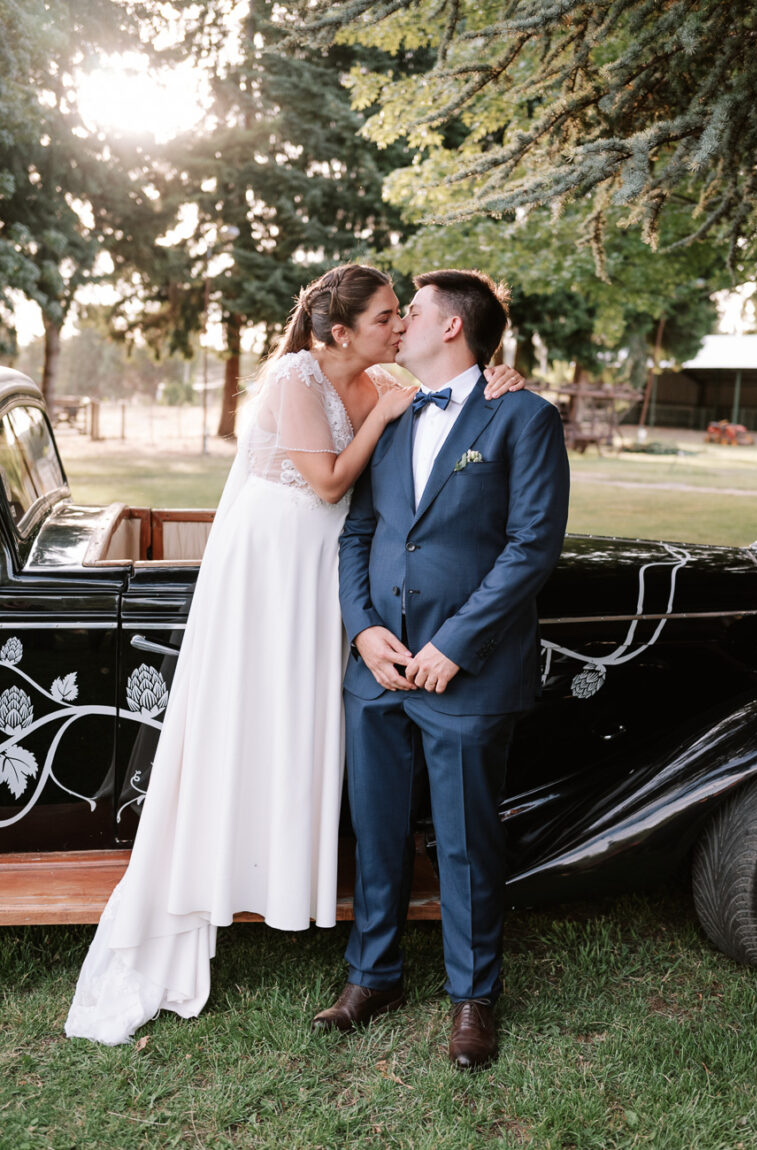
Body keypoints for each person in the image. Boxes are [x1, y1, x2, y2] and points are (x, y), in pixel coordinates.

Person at [65, 264, 525, 1046]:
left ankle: (375, 930)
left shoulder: (400, 379)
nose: (399, 325)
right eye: (388, 316)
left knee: (322, 735)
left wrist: (497, 379)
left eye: (405, 314)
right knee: (269, 721)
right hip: (283, 572)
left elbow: (461, 402)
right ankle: (272, 896)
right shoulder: (303, 378)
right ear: (343, 331)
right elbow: (333, 488)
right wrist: (383, 416)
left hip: (350, 588)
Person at [313, 269, 570, 1071]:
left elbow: (532, 546)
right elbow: (359, 533)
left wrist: (454, 645)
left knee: (464, 840)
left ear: (452, 327)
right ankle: (373, 976)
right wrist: (363, 633)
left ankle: (472, 997)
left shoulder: (522, 415)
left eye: (412, 312)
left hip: (469, 672)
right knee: (378, 830)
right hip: (380, 670)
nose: (401, 323)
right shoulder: (388, 411)